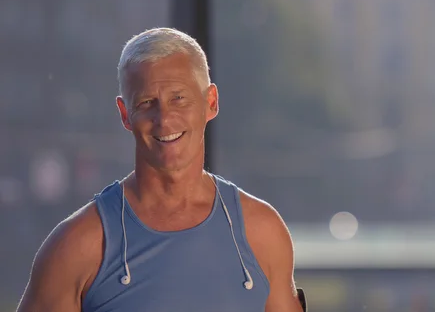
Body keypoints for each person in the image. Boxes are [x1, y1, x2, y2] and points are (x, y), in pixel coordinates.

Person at [16, 27, 306, 312]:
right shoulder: (77, 247)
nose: (164, 119)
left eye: (178, 98)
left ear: (211, 102)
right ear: (125, 114)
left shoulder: (263, 232)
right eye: (146, 103)